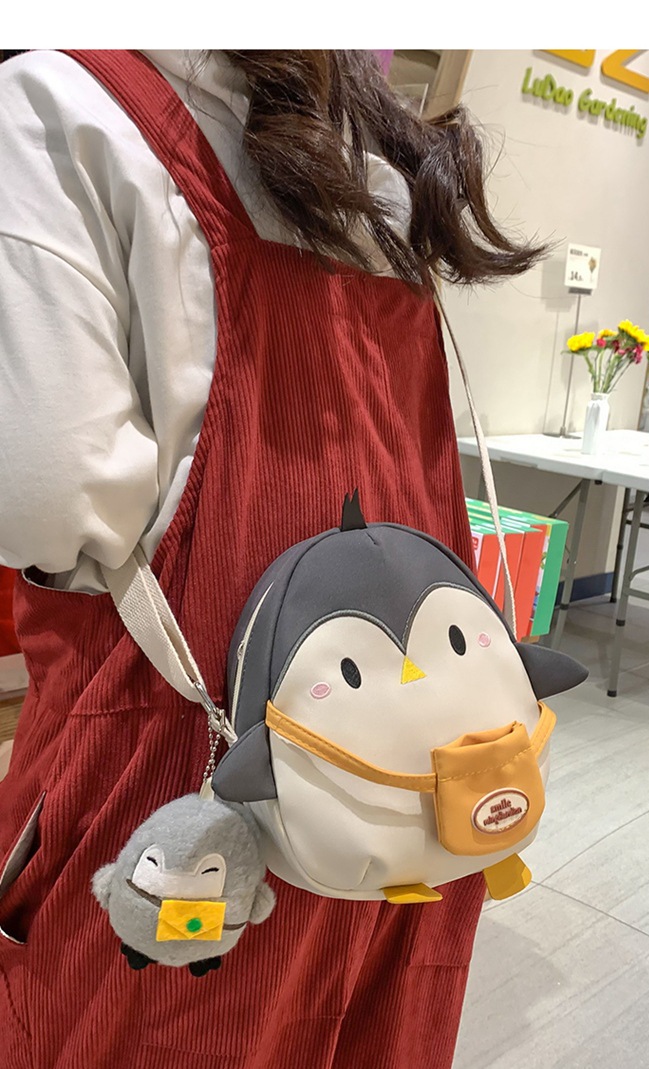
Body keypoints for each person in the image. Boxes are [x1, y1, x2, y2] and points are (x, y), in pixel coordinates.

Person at [0, 49, 545, 1069]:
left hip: (177, 786)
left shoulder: (54, 105)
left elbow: (43, 497)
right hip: (419, 798)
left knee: (151, 1018)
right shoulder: (378, 178)